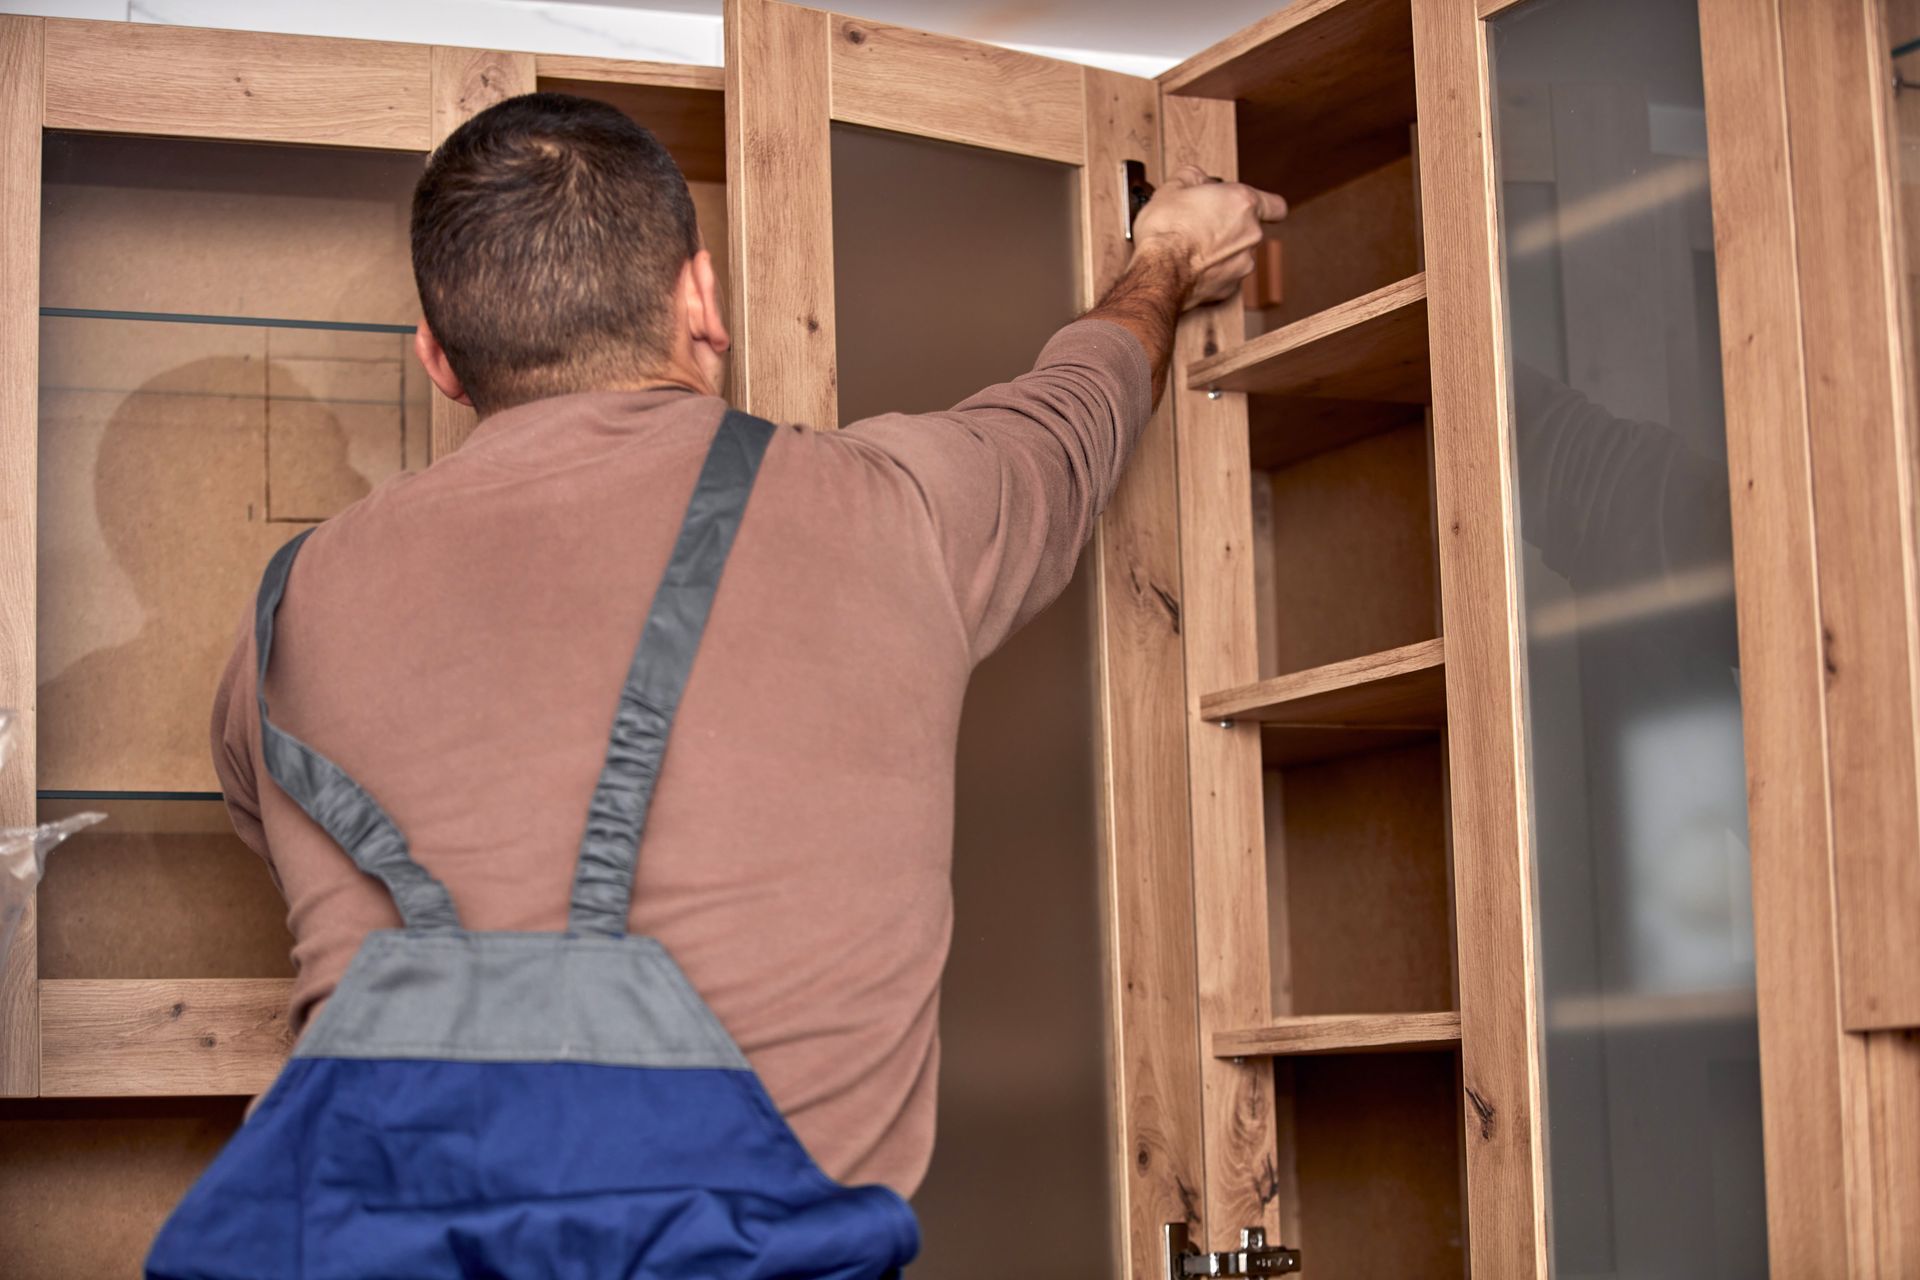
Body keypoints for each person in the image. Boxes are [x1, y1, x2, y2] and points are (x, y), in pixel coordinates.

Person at [146, 92, 1285, 1277]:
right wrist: (1165, 258)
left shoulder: (290, 605)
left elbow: (281, 836)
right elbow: (1077, 412)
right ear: (703, 298)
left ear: (439, 357)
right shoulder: (896, 512)